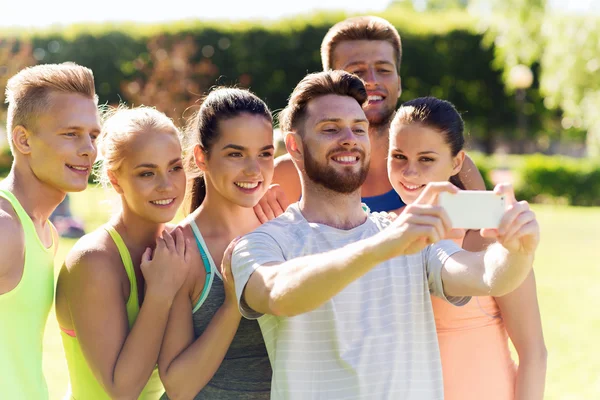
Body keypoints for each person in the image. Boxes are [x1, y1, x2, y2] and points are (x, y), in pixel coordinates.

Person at [230, 70, 540, 400]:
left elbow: (486, 276)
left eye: (358, 128)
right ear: (294, 146)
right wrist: (382, 246)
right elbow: (279, 294)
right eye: (330, 129)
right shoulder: (261, 243)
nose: (349, 138)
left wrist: (516, 251)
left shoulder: (406, 236)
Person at [388, 96, 546, 400]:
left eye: (426, 159)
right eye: (399, 156)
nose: (409, 172)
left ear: (456, 162)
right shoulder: (379, 230)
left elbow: (533, 353)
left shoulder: (491, 231)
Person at [262, 16, 486, 219]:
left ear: (398, 84)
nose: (371, 81)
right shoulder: (287, 175)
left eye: (383, 69)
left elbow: (485, 250)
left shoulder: (450, 165)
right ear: (331, 84)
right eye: (356, 72)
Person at [55, 106, 191, 399]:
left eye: (175, 167)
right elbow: (123, 390)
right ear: (115, 180)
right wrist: (160, 293)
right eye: (147, 173)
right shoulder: (93, 261)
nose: (166, 185)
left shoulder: (177, 247)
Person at [157, 88, 274, 399]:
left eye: (264, 153)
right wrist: (233, 303)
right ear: (201, 158)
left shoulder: (284, 233)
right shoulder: (179, 249)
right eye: (235, 154)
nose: (254, 169)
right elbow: (179, 386)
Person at [0, 63, 100, 399]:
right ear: (23, 140)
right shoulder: (4, 227)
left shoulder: (43, 231)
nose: (88, 149)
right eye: (71, 134)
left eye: (93, 135)